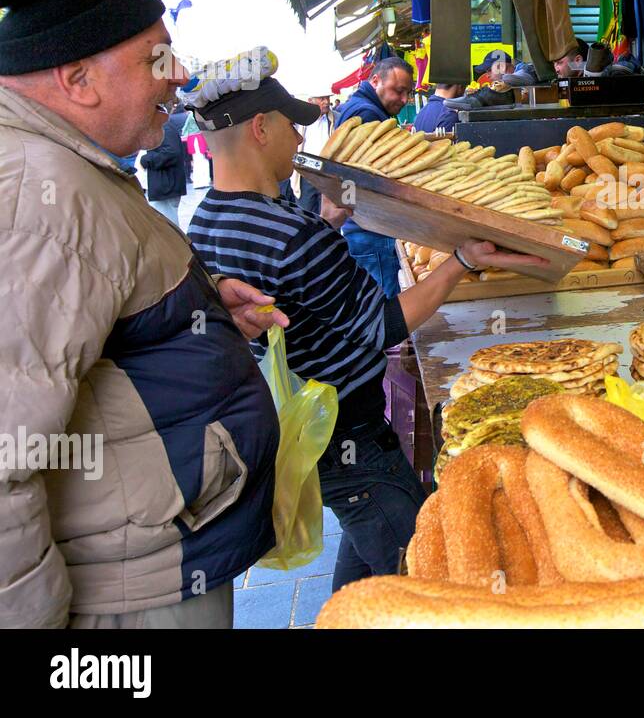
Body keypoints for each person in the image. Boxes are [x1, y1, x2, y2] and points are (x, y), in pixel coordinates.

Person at [0, 0, 286, 628]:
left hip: (153, 559)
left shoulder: (66, 168)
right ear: (77, 80)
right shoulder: (40, 198)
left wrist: (200, 308)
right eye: (157, 58)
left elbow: (89, 322)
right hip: (130, 594)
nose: (179, 74)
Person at [186, 73, 546, 590]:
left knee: (362, 541)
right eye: (292, 125)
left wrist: (328, 223)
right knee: (424, 563)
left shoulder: (207, 218)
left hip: (297, 422)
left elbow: (284, 280)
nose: (301, 137)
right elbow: (384, 326)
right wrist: (460, 260)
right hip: (345, 430)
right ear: (260, 128)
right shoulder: (294, 233)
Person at [334, 57, 415, 295]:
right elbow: (370, 176)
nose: (403, 100)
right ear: (375, 80)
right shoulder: (365, 114)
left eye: (407, 93)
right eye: (398, 91)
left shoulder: (361, 107)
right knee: (383, 310)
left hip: (365, 227)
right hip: (370, 230)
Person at [138, 108, 191, 225]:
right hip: (163, 185)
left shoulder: (165, 128)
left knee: (167, 223)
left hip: (166, 185)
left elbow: (171, 152)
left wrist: (146, 159)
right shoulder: (160, 128)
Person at [294, 94, 334, 215]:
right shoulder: (299, 120)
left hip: (328, 175)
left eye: (327, 98)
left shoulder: (336, 119)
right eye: (321, 99)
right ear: (310, 101)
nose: (326, 102)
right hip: (305, 175)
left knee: (329, 217)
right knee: (306, 216)